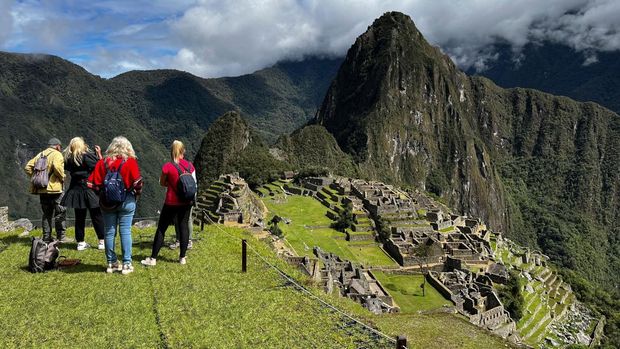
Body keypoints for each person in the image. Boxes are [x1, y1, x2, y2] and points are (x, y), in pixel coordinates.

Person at [88, 136, 143, 275]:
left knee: (109, 231)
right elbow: (137, 183)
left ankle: (111, 263)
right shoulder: (130, 162)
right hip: (127, 200)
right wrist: (137, 193)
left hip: (107, 203)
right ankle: (126, 264)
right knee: (125, 230)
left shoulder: (102, 163)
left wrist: (102, 193)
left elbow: (91, 184)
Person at [142, 140, 195, 266]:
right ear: (183, 151)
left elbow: (162, 182)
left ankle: (153, 258)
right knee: (183, 227)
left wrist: (170, 183)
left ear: (172, 151)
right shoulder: (189, 166)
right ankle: (182, 257)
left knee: (162, 228)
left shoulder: (168, 167)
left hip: (171, 202)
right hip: (187, 201)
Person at [61, 137, 105, 250]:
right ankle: (102, 241)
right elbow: (100, 166)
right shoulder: (86, 156)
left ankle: (80, 242)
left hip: (75, 188)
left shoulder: (69, 159)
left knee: (79, 217)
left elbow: (65, 167)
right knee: (96, 215)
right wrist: (98, 154)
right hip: (88, 188)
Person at [24, 138, 68, 242]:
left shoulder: (41, 154)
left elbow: (27, 167)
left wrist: (37, 177)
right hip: (56, 189)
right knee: (60, 212)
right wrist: (62, 176)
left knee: (47, 214)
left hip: (42, 189)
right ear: (57, 146)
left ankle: (46, 237)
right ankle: (61, 237)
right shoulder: (57, 154)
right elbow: (57, 167)